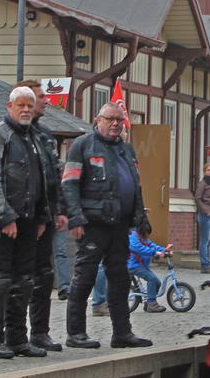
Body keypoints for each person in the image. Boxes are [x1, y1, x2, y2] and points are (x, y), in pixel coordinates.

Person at [62, 103, 151, 349]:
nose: (115, 124)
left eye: (119, 120)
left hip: (120, 225)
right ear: (97, 120)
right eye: (110, 119)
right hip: (93, 224)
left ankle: (122, 333)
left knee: (120, 278)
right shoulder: (83, 146)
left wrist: (142, 220)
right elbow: (69, 185)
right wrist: (75, 218)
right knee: (84, 277)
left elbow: (137, 186)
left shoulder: (126, 150)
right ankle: (76, 333)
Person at [0, 86, 49, 359]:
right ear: (9, 107)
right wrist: (4, 215)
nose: (26, 109)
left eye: (30, 105)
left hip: (30, 221)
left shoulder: (35, 138)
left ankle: (17, 337)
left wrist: (43, 216)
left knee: (24, 281)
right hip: (3, 221)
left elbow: (43, 179)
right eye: (21, 104)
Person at [16, 79, 66, 353]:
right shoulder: (13, 134)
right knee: (19, 278)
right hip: (22, 218)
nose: (45, 100)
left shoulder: (45, 135)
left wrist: (59, 210)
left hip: (45, 216)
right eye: (39, 97)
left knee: (44, 275)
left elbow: (54, 176)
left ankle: (40, 331)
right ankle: (15, 333)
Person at [128, 221, 172, 313]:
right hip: (133, 265)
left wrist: (165, 251)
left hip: (141, 265)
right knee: (151, 279)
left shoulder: (144, 239)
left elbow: (153, 246)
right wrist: (154, 253)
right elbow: (138, 248)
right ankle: (152, 304)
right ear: (141, 232)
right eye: (146, 235)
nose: (147, 237)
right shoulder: (133, 237)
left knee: (157, 282)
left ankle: (149, 302)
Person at [193, 163, 210, 274]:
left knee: (209, 241)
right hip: (206, 216)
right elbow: (197, 198)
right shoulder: (202, 183)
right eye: (208, 170)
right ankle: (205, 265)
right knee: (204, 241)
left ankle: (208, 263)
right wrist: (206, 211)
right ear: (204, 171)